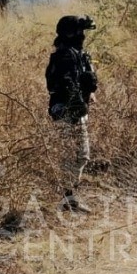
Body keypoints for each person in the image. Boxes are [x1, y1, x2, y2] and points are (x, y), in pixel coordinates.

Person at [45, 15, 99, 212]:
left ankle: (70, 198)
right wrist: (77, 104)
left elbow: (85, 82)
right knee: (70, 157)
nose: (83, 36)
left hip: (77, 111)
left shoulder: (77, 54)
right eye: (80, 32)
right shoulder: (64, 56)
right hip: (66, 112)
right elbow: (62, 86)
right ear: (71, 33)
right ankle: (68, 200)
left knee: (81, 156)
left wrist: (88, 93)